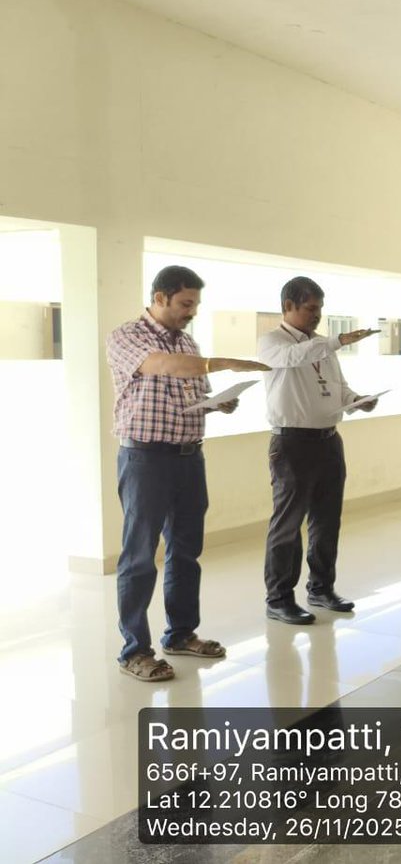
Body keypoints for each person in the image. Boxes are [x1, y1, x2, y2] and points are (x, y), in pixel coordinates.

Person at [105, 265, 270, 681]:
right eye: (185, 303)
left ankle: (180, 634)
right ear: (159, 298)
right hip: (145, 460)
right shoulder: (127, 336)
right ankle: (133, 651)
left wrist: (217, 403)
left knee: (185, 550)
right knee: (140, 556)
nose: (191, 311)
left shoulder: (187, 341)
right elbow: (165, 366)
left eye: (195, 304)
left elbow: (192, 390)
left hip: (188, 458)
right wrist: (224, 362)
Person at [256, 277, 380, 625]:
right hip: (291, 444)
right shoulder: (272, 342)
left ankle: (321, 589)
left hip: (329, 441)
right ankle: (279, 598)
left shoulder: (322, 347)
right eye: (310, 308)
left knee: (327, 520)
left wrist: (356, 401)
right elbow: (293, 359)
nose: (317, 315)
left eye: (320, 309)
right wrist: (337, 341)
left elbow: (337, 389)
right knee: (288, 524)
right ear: (288, 307)